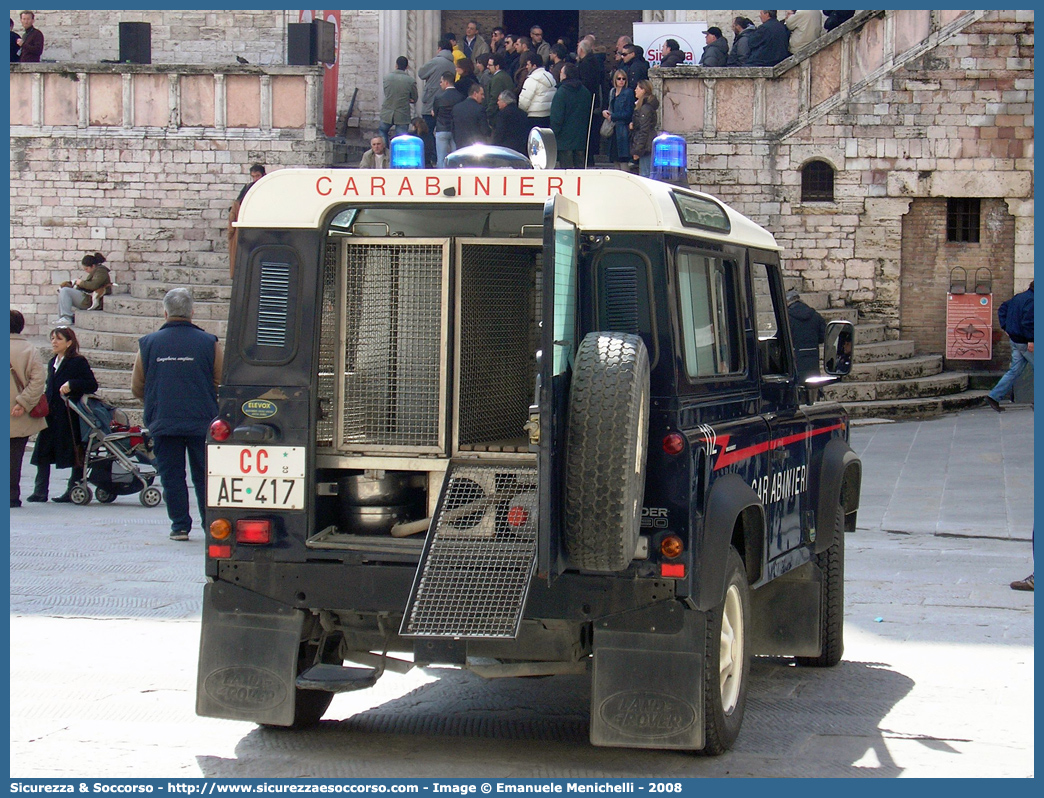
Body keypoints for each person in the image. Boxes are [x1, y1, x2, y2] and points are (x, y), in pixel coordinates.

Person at [131, 288, 223, 542]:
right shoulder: (210, 343)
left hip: (163, 419)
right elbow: (220, 381)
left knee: (171, 475)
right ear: (192, 312)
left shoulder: (147, 343)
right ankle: (210, 525)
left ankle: (180, 526)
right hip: (201, 419)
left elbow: (137, 386)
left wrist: (158, 400)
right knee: (204, 475)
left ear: (165, 312)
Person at [27, 326, 98, 504]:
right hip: (51, 414)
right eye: (52, 338)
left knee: (74, 453)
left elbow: (91, 384)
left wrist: (72, 384)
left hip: (68, 416)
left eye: (58, 339)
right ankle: (40, 491)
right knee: (42, 452)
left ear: (69, 342)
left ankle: (73, 489)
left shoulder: (77, 361)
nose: (54, 342)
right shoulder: (53, 361)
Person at [10, 309, 47, 508]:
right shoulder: (30, 349)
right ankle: (11, 494)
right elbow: (38, 381)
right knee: (15, 456)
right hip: (19, 414)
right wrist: (23, 403)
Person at [986, 280, 1033, 413]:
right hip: (1025, 343)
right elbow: (1028, 322)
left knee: (1015, 371)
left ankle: (994, 396)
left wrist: (1005, 326)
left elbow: (1002, 308)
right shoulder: (1033, 301)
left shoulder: (1019, 297)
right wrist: (1031, 340)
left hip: (1015, 340)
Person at [418, 37, 456, 166]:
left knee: (426, 130)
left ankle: (431, 156)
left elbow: (421, 73)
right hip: (446, 102)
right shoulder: (452, 64)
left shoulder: (436, 61)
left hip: (431, 101)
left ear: (439, 49)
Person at [550, 63, 593, 168]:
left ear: (565, 75)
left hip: (564, 140)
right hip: (581, 138)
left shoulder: (561, 92)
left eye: (561, 72)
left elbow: (557, 117)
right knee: (580, 171)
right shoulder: (585, 91)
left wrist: (554, 134)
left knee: (567, 172)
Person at [228, 163, 264, 278]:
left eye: (257, 176)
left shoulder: (267, 187)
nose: (255, 179)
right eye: (253, 176)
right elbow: (238, 205)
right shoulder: (248, 188)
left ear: (263, 175)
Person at [56, 252, 112, 325]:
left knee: (65, 291)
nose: (86, 271)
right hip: (90, 298)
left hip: (95, 301)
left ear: (93, 266)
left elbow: (94, 285)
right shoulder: (97, 271)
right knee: (63, 292)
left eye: (86, 269)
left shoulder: (101, 272)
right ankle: (63, 317)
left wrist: (81, 283)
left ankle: (66, 317)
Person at [786, 288, 827, 380]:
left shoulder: (787, 318)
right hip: (812, 358)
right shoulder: (815, 315)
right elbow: (823, 336)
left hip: (795, 359)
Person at [379, 56, 416, 145]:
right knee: (401, 139)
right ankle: (397, 156)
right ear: (407, 67)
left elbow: (386, 92)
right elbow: (414, 98)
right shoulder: (410, 81)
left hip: (387, 112)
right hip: (402, 113)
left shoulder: (386, 78)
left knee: (382, 131)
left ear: (396, 65)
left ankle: (385, 153)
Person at [603, 69, 635, 169]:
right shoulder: (612, 92)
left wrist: (613, 116)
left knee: (623, 157)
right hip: (613, 128)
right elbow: (610, 107)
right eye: (619, 78)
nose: (621, 81)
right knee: (614, 157)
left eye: (623, 79)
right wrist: (605, 112)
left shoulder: (628, 93)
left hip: (622, 128)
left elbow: (629, 113)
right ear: (614, 80)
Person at [518, 51, 557, 131]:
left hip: (534, 117)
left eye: (528, 64)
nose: (526, 67)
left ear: (534, 66)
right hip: (548, 116)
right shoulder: (551, 77)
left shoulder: (532, 79)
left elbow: (523, 102)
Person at [432, 71, 464, 167]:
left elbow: (436, 113)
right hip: (455, 130)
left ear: (446, 82)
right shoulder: (461, 97)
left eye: (441, 82)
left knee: (441, 158)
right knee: (456, 157)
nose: (440, 84)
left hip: (441, 129)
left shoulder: (439, 97)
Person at [629, 79, 659, 178]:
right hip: (646, 145)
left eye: (637, 88)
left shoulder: (645, 108)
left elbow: (644, 130)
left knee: (645, 174)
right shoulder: (644, 106)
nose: (635, 90)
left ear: (643, 90)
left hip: (646, 146)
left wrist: (638, 150)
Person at [451, 82, 489, 149]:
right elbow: (484, 130)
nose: (483, 97)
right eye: (481, 94)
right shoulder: (480, 109)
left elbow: (453, 128)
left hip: (460, 145)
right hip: (476, 145)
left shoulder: (456, 108)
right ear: (475, 94)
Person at [492, 91, 529, 155]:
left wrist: (494, 146)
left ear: (505, 102)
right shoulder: (523, 114)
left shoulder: (502, 114)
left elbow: (499, 132)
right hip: (521, 149)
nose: (497, 103)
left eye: (499, 100)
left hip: (506, 149)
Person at [485, 51, 514, 126]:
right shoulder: (506, 76)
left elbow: (494, 97)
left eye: (490, 65)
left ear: (497, 66)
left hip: (497, 115)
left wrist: (488, 113)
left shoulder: (497, 78)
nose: (487, 67)